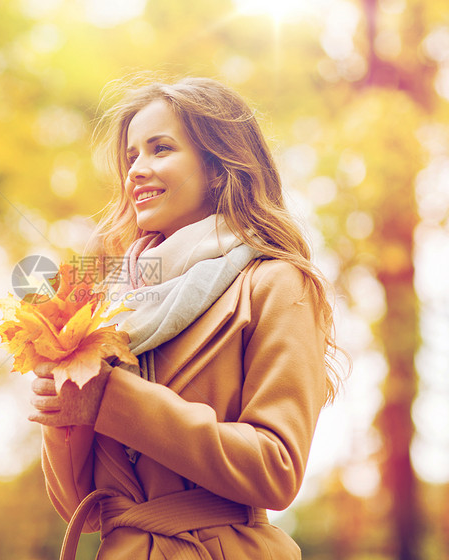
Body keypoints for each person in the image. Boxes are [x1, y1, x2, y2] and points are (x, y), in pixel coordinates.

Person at [28, 76, 343, 560]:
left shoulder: (273, 283)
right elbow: (81, 508)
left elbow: (275, 469)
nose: (137, 169)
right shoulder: (106, 303)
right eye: (132, 156)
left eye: (160, 149)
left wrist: (110, 399)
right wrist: (65, 412)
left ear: (218, 167)